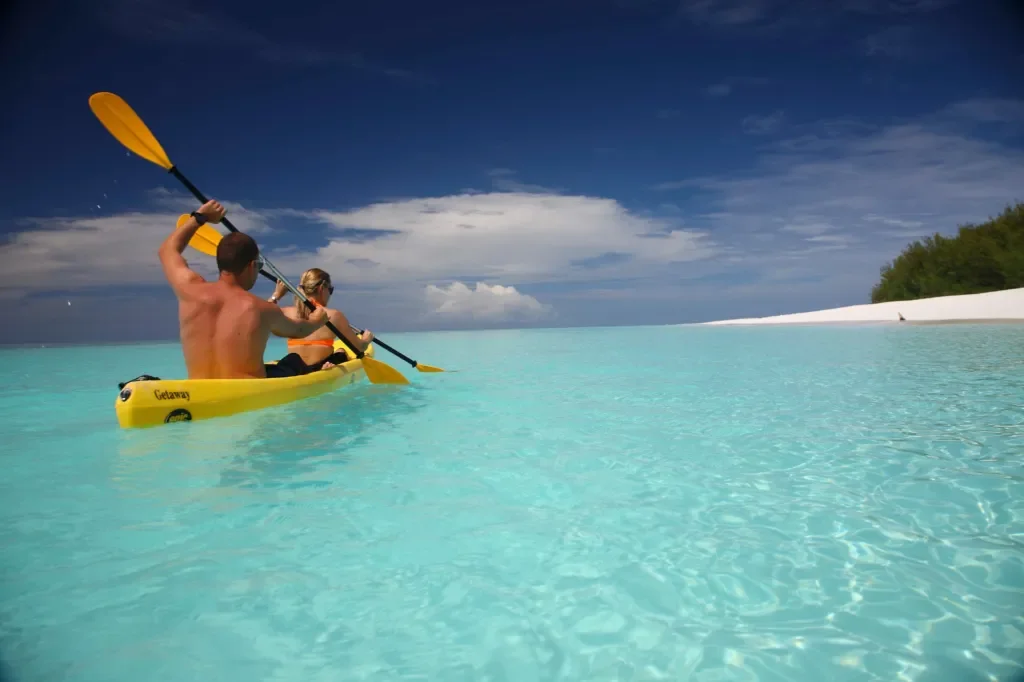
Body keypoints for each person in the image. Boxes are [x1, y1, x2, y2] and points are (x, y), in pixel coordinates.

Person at [158, 200, 330, 379]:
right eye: (259, 265)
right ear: (251, 266)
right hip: (249, 394)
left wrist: (200, 216)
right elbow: (298, 330)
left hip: (200, 390)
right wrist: (317, 320)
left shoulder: (190, 290)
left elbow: (167, 251)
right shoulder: (262, 308)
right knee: (294, 360)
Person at [266, 267, 374, 376]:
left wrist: (276, 295)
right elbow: (359, 348)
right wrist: (366, 340)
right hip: (318, 369)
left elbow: (260, 316)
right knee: (341, 352)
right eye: (330, 290)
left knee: (292, 359)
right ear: (322, 288)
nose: (330, 295)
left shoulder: (286, 312)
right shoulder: (334, 315)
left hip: (294, 369)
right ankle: (326, 367)